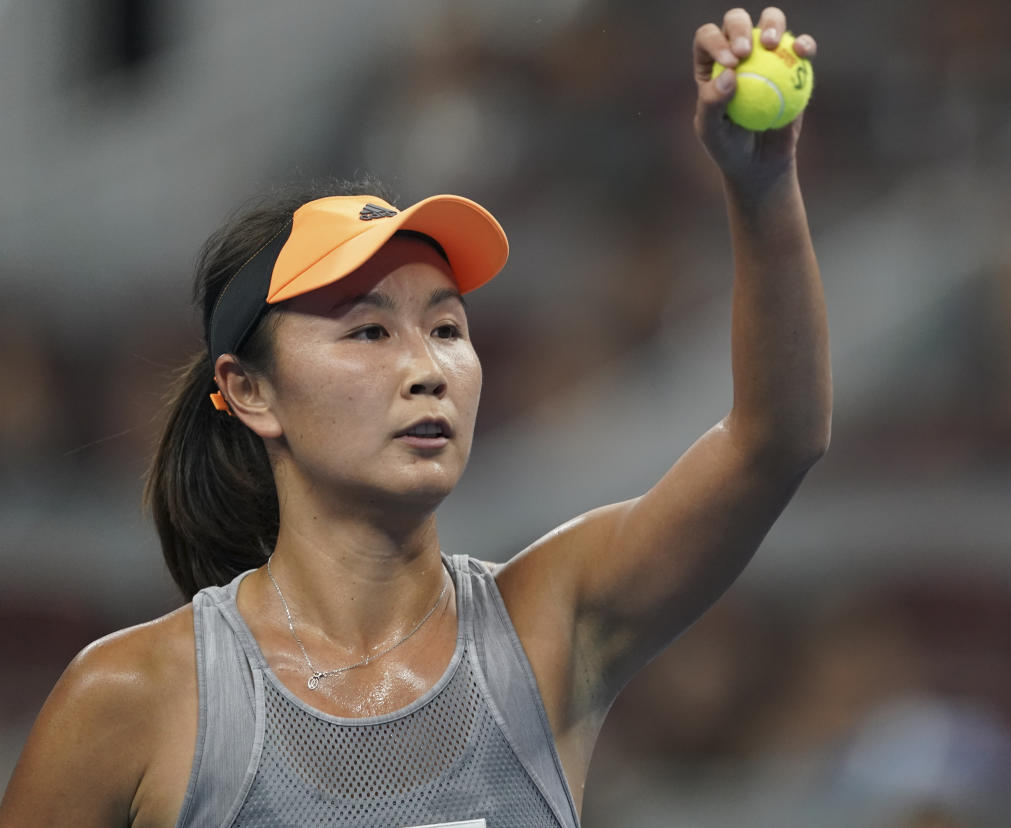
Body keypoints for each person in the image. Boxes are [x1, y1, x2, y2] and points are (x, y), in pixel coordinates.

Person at [0, 7, 829, 826]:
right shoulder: (127, 698)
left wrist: (761, 190)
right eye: (368, 330)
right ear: (251, 391)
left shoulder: (554, 623)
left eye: (446, 329)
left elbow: (776, 440)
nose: (426, 369)